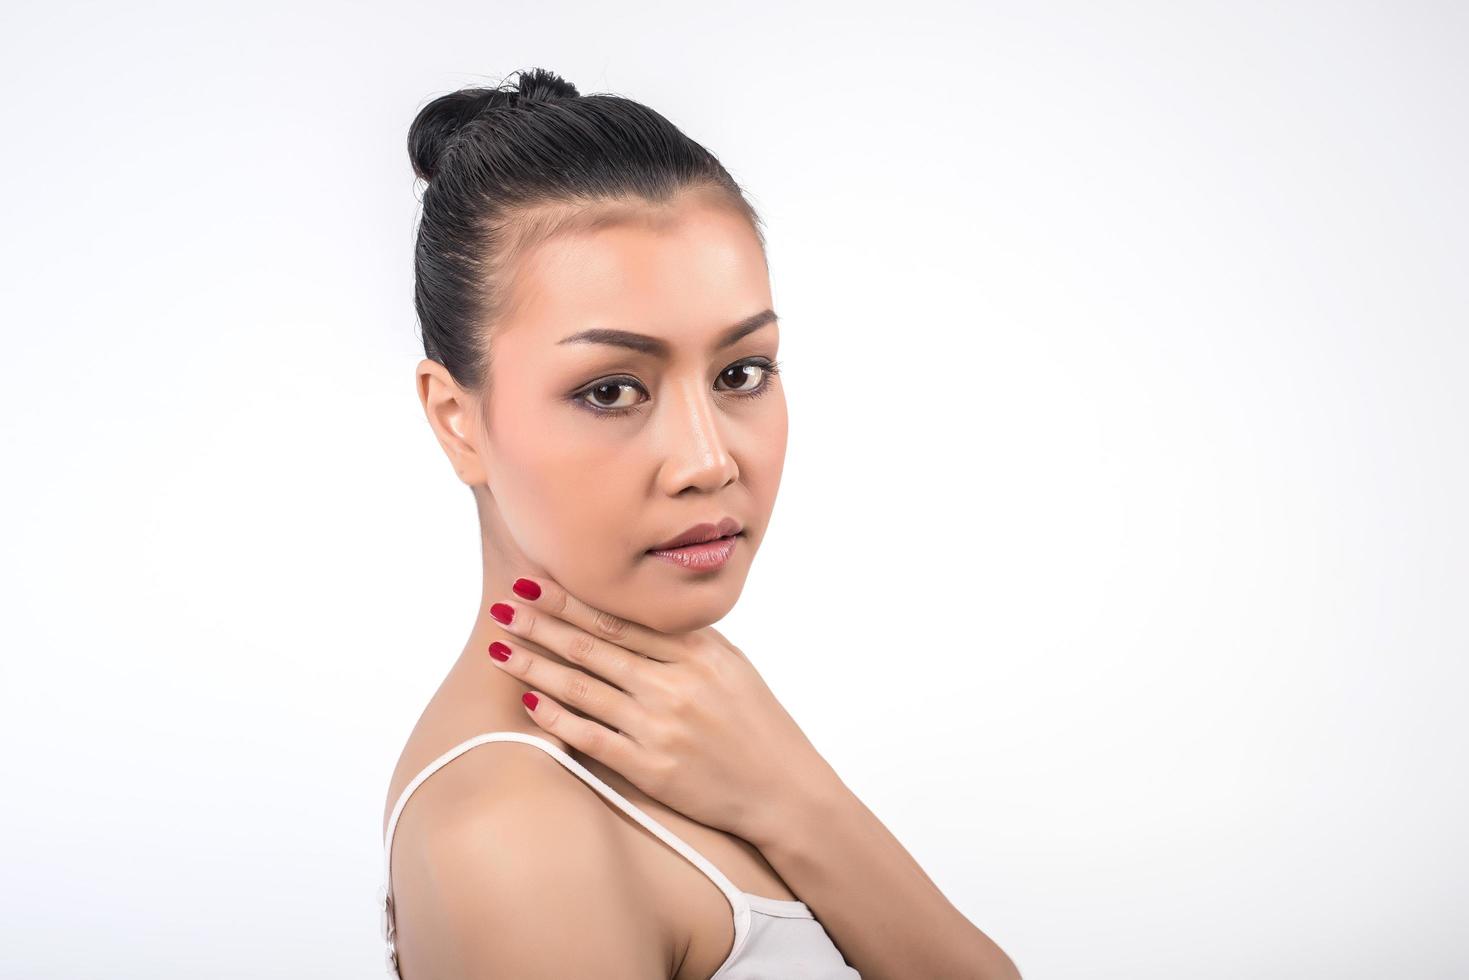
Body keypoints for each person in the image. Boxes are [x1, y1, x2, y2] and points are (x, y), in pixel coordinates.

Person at [379, 67, 1019, 980]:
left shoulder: (724, 742)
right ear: (455, 420)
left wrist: (796, 799)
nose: (708, 460)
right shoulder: (520, 840)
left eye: (740, 374)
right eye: (610, 390)